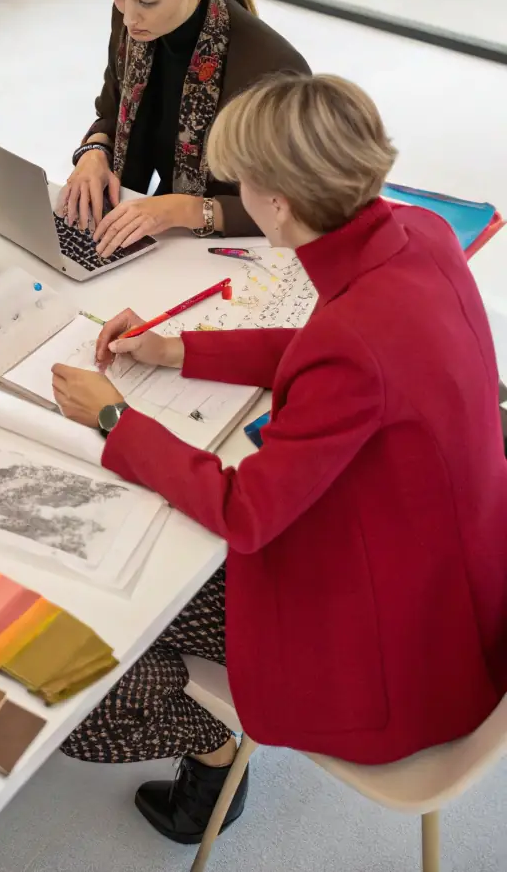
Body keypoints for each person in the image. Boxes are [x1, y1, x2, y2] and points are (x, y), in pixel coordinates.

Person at [51, 73, 507, 846]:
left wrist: (114, 416)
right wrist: (175, 347)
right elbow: (325, 344)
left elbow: (246, 510)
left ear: (278, 205)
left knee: (84, 657)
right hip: (458, 593)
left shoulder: (354, 343)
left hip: (393, 654)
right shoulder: (421, 236)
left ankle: (212, 749)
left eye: (242, 183)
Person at [61, 0, 309, 256]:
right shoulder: (136, 19)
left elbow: (294, 208)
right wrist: (94, 152)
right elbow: (112, 113)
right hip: (166, 230)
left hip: (237, 252)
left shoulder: (272, 72)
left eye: (147, 2)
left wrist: (186, 209)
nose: (128, 18)